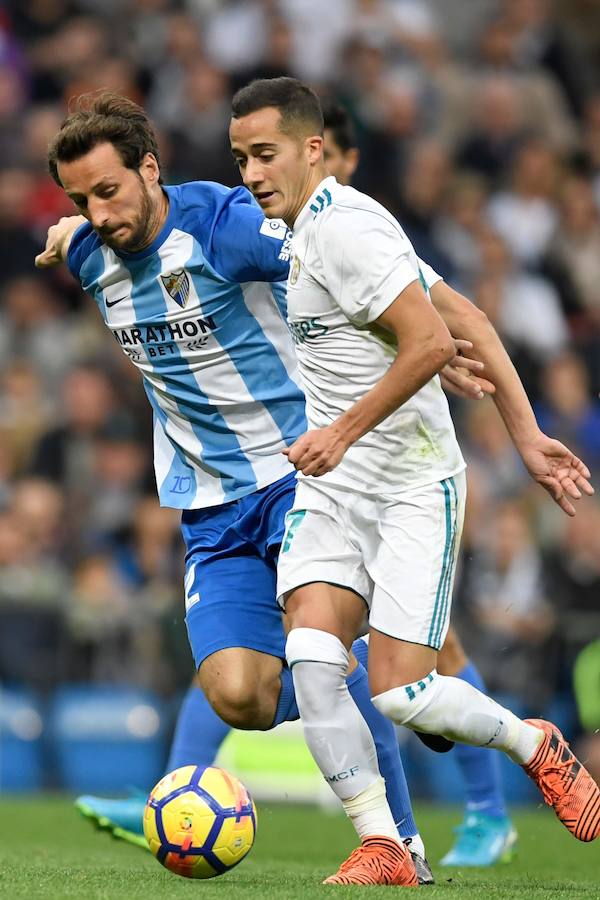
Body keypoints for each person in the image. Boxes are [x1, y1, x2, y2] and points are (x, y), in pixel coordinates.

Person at [36, 91, 482, 884]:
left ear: (150, 168)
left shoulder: (222, 226)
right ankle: (380, 669)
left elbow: (344, 258)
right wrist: (65, 229)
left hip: (297, 474)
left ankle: (398, 841)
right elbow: (75, 235)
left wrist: (434, 331)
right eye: (80, 201)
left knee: (317, 658)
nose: (98, 214)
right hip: (208, 505)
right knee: (238, 694)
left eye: (108, 191)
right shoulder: (87, 253)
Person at [229, 76, 600, 886]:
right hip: (334, 488)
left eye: (265, 154)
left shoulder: (348, 228)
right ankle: (384, 845)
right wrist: (529, 429)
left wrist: (341, 430)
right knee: (313, 658)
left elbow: (432, 342)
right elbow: (462, 315)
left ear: (313, 149)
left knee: (403, 698)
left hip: (408, 485)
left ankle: (531, 742)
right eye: (241, 157)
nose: (252, 172)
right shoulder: (295, 230)